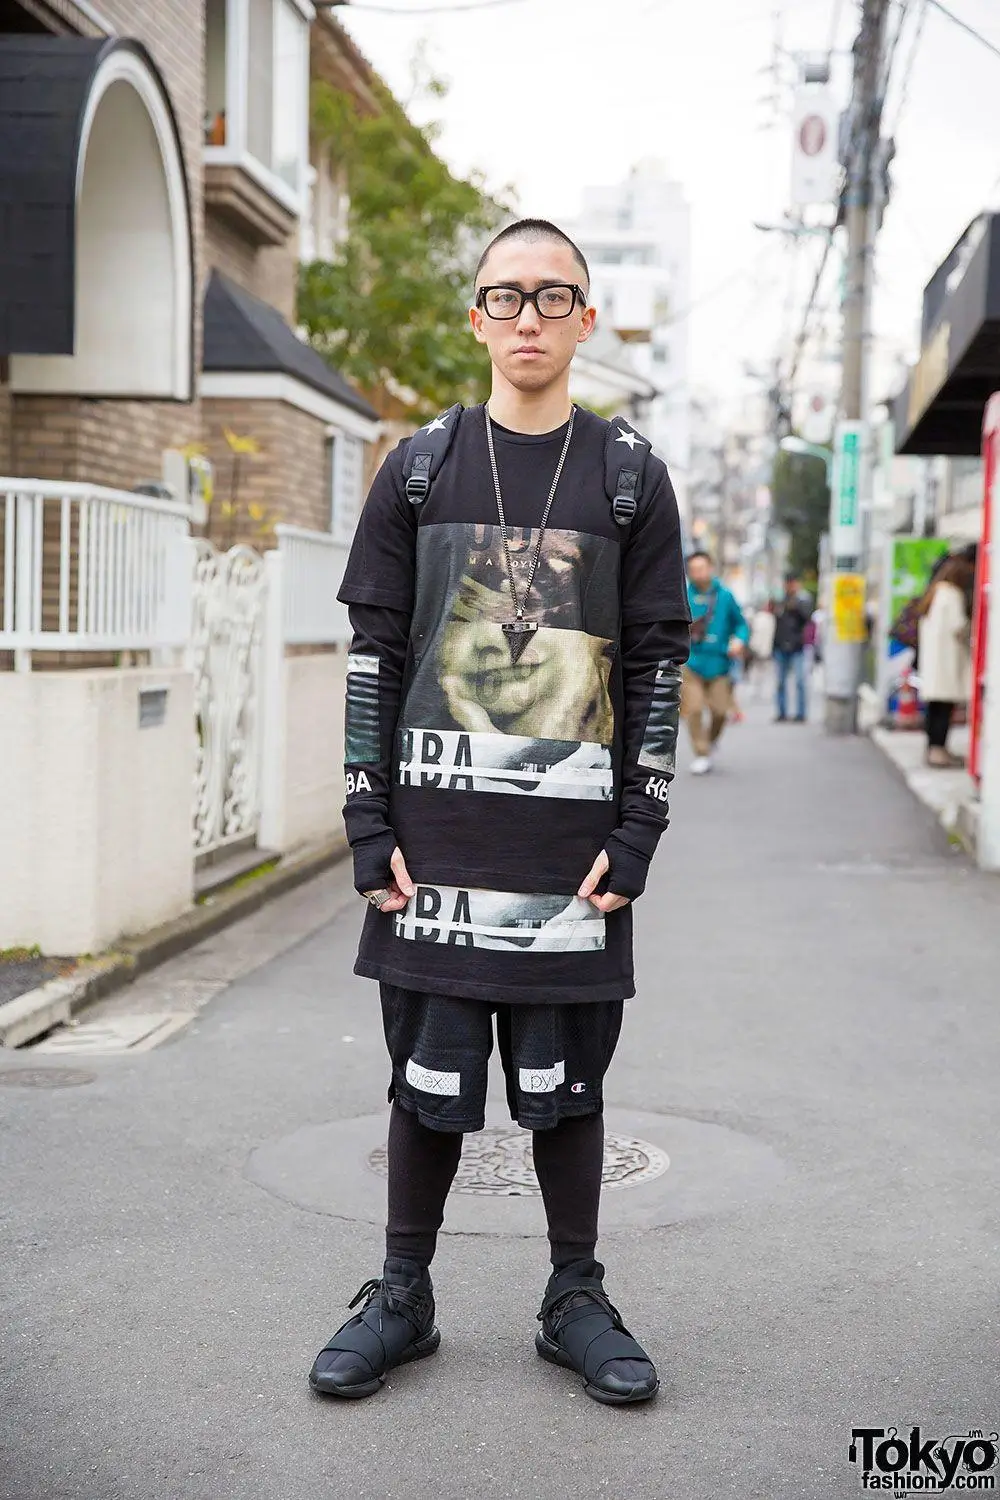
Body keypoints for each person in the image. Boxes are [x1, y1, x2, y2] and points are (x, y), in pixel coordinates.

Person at [309, 218, 690, 1407]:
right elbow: (371, 654)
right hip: (431, 848)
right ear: (475, 317)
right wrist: (366, 820)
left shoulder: (631, 474)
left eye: (553, 296)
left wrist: (639, 831)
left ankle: (573, 1294)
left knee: (564, 1089)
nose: (528, 317)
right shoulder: (420, 464)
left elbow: (657, 665)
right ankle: (402, 1295)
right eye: (506, 296)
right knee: (424, 1089)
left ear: (586, 320)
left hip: (569, 857)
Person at [682, 550, 749, 774]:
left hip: (719, 663)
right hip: (690, 661)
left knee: (720, 712)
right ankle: (701, 753)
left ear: (710, 568)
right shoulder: (683, 595)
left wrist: (739, 641)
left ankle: (709, 742)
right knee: (694, 709)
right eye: (693, 569)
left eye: (701, 568)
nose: (697, 573)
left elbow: (741, 624)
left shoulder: (725, 596)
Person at [918, 553, 975, 767]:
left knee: (934, 710)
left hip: (934, 665)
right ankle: (938, 751)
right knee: (943, 710)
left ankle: (933, 749)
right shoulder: (951, 595)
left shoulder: (934, 593)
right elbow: (958, 627)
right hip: (947, 665)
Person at [772, 573, 812, 723]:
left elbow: (807, 617)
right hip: (780, 645)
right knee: (780, 682)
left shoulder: (803, 599)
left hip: (797, 646)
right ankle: (782, 712)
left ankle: (801, 713)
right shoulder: (780, 600)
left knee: (800, 681)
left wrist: (796, 605)